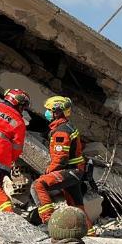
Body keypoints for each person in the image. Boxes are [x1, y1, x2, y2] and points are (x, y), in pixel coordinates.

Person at [31, 96, 93, 224]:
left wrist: (49, 171)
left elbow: (60, 159)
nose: (46, 112)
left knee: (38, 185)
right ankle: (89, 231)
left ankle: (49, 222)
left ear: (57, 112)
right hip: (76, 171)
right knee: (76, 205)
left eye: (49, 110)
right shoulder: (68, 127)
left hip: (71, 170)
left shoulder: (61, 132)